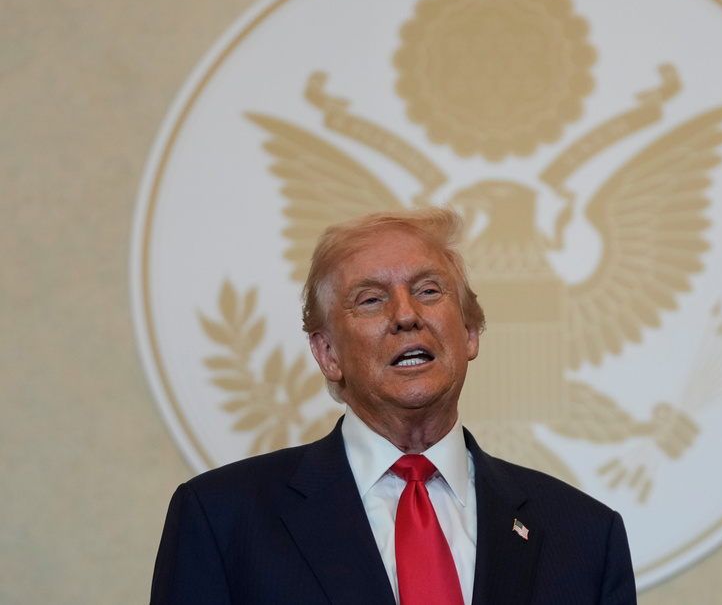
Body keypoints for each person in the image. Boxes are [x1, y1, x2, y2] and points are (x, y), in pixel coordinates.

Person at [151, 208, 637, 604]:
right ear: (328, 353)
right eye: (370, 300)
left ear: (469, 333)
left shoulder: (585, 537)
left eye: (428, 291)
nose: (406, 315)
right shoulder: (222, 520)